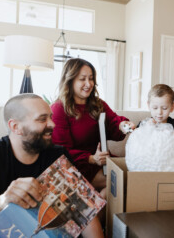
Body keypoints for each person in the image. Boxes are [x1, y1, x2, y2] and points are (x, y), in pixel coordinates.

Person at [0, 94, 104, 238]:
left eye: (50, 117)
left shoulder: (58, 154)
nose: (52, 124)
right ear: (16, 127)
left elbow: (85, 213)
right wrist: (3, 199)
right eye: (42, 119)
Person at [51, 58, 135, 198]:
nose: (88, 84)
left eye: (91, 79)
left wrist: (123, 125)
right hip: (77, 166)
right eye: (82, 79)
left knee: (136, 172)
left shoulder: (98, 104)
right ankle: (99, 203)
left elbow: (113, 121)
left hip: (101, 161)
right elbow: (60, 151)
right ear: (70, 80)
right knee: (125, 180)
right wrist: (91, 158)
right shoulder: (59, 109)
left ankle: (100, 201)